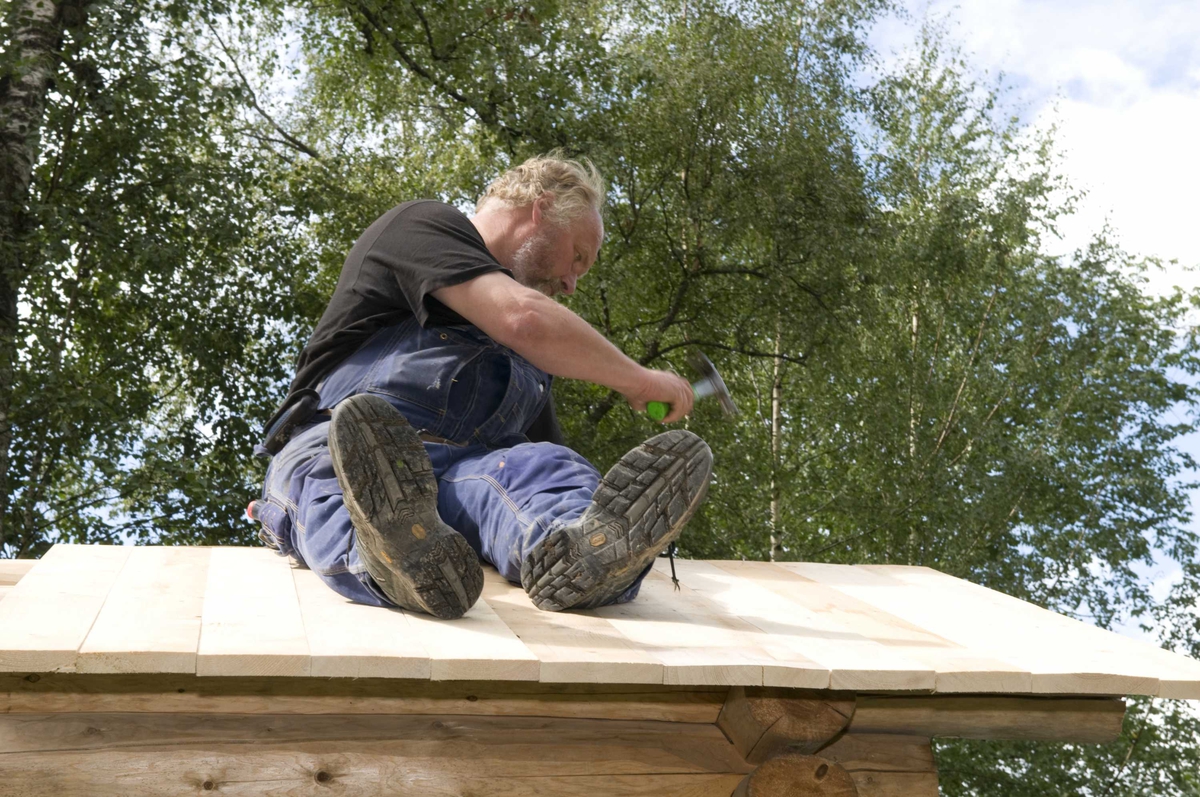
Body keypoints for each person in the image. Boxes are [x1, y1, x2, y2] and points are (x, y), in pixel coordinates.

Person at [249, 153, 712, 619]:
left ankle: (583, 550)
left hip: (460, 482)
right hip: (346, 449)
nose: (572, 284)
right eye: (577, 257)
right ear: (542, 207)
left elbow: (534, 466)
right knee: (354, 490)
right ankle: (387, 557)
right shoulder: (423, 225)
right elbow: (522, 317)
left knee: (547, 468)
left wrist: (575, 502)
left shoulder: (532, 366)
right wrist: (640, 380)